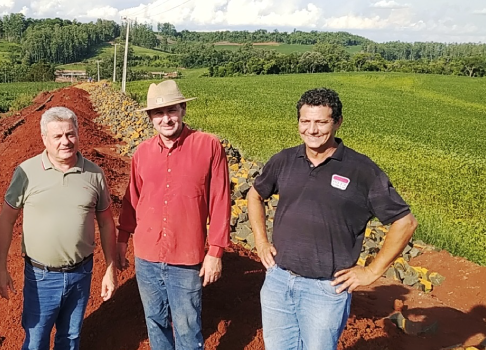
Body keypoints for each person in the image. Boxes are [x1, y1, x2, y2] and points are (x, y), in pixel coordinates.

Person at [247, 87, 418, 350]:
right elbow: (255, 195)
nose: (312, 130)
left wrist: (372, 271)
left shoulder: (361, 170)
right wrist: (260, 240)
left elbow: (405, 222)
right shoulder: (284, 160)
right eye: (305, 121)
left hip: (325, 290)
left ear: (337, 122)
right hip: (279, 281)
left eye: (321, 122)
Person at [116, 80, 231, 350]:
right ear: (150, 117)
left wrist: (215, 252)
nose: (166, 119)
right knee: (155, 322)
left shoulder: (209, 146)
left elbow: (220, 201)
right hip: (146, 256)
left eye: (172, 110)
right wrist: (122, 241)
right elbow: (132, 201)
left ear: (183, 110)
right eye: (158, 113)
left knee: (188, 326)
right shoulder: (142, 153)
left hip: (186, 257)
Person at [0, 106, 117, 350]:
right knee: (36, 338)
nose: (65, 142)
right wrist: (0, 268)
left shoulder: (94, 174)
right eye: (57, 136)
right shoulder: (26, 172)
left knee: (70, 338)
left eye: (70, 134)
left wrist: (110, 268)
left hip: (81, 273)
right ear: (44, 139)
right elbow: (6, 220)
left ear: (78, 134)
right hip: (41, 276)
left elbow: (106, 222)